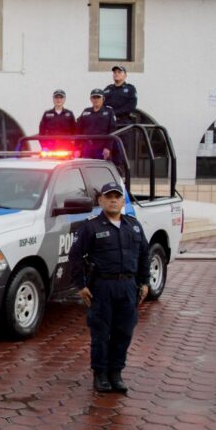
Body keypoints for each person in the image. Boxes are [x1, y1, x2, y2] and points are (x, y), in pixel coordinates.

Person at [68, 181, 150, 394]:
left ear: (123, 201)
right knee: (101, 333)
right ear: (101, 200)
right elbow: (75, 257)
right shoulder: (91, 226)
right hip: (102, 286)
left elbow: (144, 255)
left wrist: (144, 282)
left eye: (117, 196)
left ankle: (116, 372)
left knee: (124, 332)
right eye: (109, 196)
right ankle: (101, 374)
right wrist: (80, 285)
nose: (113, 200)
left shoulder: (133, 225)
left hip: (128, 286)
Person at [103, 65, 138, 170]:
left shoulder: (130, 89)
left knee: (120, 150)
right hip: (110, 124)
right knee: (108, 149)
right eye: (115, 72)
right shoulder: (108, 89)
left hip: (122, 123)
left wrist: (115, 112)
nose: (116, 74)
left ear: (125, 75)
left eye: (119, 72)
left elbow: (131, 105)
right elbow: (102, 105)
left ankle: (120, 172)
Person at [77, 88, 116, 160]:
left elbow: (112, 130)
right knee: (86, 168)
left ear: (103, 99)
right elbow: (79, 129)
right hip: (87, 147)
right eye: (94, 97)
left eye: (98, 97)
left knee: (100, 169)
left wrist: (108, 147)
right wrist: (76, 148)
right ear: (91, 99)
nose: (96, 99)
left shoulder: (109, 111)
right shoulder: (86, 111)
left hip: (102, 147)